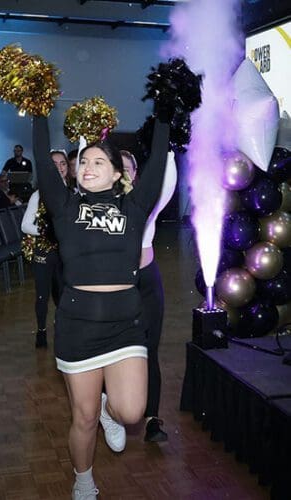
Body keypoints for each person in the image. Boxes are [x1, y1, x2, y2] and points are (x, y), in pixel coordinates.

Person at [33, 114, 169, 500]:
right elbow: (43, 161)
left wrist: (163, 115)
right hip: (78, 327)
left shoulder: (135, 206)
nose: (88, 167)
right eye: (83, 162)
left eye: (99, 162)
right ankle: (83, 479)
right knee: (84, 417)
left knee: (131, 414)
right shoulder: (63, 206)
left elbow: (158, 162)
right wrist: (41, 110)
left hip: (126, 324)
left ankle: (113, 411)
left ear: (116, 175)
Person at [121, 149, 177, 442]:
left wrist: (167, 150)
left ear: (135, 174)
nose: (125, 173)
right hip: (119, 285)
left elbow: (167, 184)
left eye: (130, 168)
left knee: (150, 350)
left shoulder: (147, 204)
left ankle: (153, 419)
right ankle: (114, 411)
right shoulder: (105, 206)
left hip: (148, 282)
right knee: (116, 351)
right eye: (120, 168)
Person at [21, 151, 67, 348]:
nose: (59, 167)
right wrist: (47, 231)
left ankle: (63, 327)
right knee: (42, 295)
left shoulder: (72, 193)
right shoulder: (38, 195)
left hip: (65, 253)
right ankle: (41, 331)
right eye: (54, 163)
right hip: (44, 252)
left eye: (63, 163)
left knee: (64, 293)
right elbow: (25, 225)